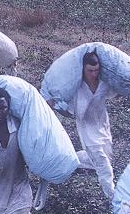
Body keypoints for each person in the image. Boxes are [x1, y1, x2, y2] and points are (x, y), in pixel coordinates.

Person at [48, 51, 115, 199]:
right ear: (83, 69)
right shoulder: (76, 88)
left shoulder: (103, 84)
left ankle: (67, 161)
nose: (93, 74)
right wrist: (55, 106)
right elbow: (70, 112)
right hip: (87, 132)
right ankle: (113, 198)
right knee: (104, 166)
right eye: (90, 70)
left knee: (102, 159)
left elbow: (119, 90)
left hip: (103, 126)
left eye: (96, 70)